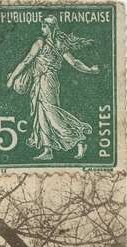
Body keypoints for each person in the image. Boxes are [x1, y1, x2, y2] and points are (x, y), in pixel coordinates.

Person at [6, 15, 100, 161]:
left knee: (51, 114)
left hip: (48, 82)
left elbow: (26, 61)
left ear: (50, 28)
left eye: (44, 26)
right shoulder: (56, 44)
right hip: (41, 81)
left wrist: (12, 78)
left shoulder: (42, 43)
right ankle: (47, 149)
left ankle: (79, 138)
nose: (41, 28)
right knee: (41, 114)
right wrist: (89, 70)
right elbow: (74, 62)